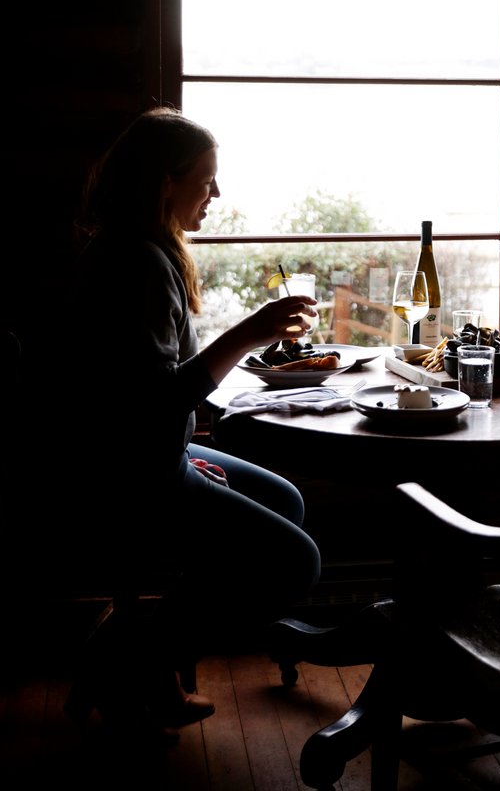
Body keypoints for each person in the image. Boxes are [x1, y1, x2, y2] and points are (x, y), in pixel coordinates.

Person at [57, 105, 321, 740]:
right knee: (295, 563)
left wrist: (186, 451)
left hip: (140, 453)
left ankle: (144, 655)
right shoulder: (139, 264)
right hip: (127, 472)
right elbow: (156, 399)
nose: (217, 193)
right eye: (206, 178)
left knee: (283, 498)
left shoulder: (133, 248)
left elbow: (142, 402)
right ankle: (134, 658)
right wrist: (252, 330)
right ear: (164, 183)